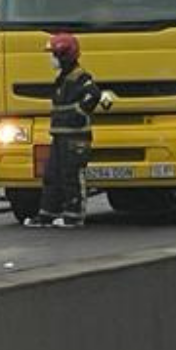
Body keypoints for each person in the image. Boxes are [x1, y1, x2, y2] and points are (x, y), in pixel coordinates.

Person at [39, 31, 104, 227]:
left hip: (75, 136)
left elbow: (94, 94)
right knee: (52, 174)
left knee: (72, 175)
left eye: (54, 55)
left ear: (64, 56)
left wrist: (78, 112)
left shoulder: (80, 77)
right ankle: (47, 214)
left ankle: (73, 216)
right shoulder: (63, 78)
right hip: (60, 134)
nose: (51, 59)